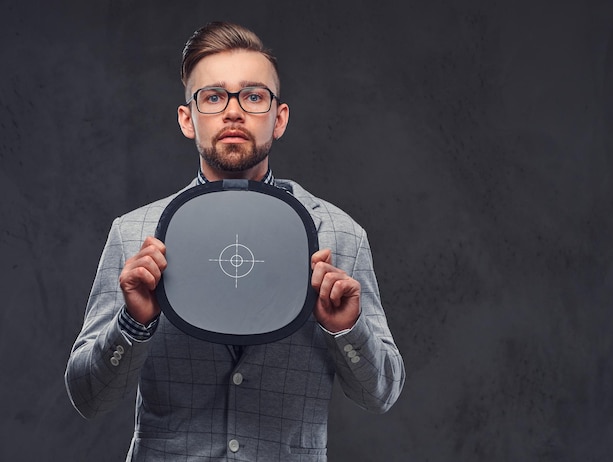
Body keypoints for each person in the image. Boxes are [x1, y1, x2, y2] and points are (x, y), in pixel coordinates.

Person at [65, 21, 405, 461]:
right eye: (212, 97)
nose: (232, 112)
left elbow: (382, 394)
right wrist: (132, 323)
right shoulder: (134, 233)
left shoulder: (340, 236)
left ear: (278, 118)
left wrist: (345, 329)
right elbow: (88, 397)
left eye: (253, 96)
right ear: (188, 119)